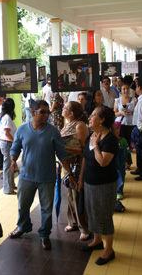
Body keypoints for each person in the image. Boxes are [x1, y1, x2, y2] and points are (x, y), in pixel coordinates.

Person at [9, 100, 76, 251]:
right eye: (43, 112)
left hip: (47, 177)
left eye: (48, 112)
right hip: (26, 175)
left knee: (46, 208)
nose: (47, 115)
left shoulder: (53, 131)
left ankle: (44, 235)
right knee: (22, 205)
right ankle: (22, 227)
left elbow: (61, 153)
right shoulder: (22, 130)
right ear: (33, 113)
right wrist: (13, 161)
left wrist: (70, 173)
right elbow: (15, 147)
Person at [79, 106, 118, 266]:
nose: (89, 118)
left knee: (104, 216)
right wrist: (81, 179)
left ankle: (109, 250)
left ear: (102, 120)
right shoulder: (92, 135)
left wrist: (96, 146)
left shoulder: (110, 140)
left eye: (93, 116)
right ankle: (97, 241)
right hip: (89, 181)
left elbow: (103, 162)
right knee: (92, 211)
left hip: (104, 184)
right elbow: (85, 158)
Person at [61, 101, 91, 240]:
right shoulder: (67, 124)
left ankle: (84, 227)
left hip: (77, 166)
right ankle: (72, 221)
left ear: (71, 113)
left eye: (65, 108)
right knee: (69, 195)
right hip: (67, 167)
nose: (63, 109)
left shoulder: (80, 126)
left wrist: (64, 149)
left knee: (77, 196)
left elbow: (85, 150)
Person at [114, 83, 137, 170]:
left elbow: (137, 112)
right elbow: (115, 113)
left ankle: (128, 161)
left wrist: (132, 113)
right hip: (121, 125)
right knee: (122, 144)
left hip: (130, 124)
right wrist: (121, 113)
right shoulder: (117, 101)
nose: (125, 91)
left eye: (127, 89)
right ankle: (125, 161)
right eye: (123, 89)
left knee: (128, 144)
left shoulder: (134, 100)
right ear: (121, 90)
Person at [0, 98, 17, 195]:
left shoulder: (4, 116)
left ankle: (11, 184)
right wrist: (14, 142)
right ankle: (7, 189)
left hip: (7, 143)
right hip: (7, 143)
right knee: (7, 166)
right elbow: (6, 133)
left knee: (10, 165)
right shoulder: (6, 117)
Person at [112, 124, 128, 200]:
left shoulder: (123, 140)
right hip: (114, 164)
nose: (117, 131)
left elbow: (127, 152)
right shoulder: (110, 142)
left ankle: (120, 191)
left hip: (121, 164)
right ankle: (116, 191)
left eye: (117, 129)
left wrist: (128, 161)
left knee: (121, 177)